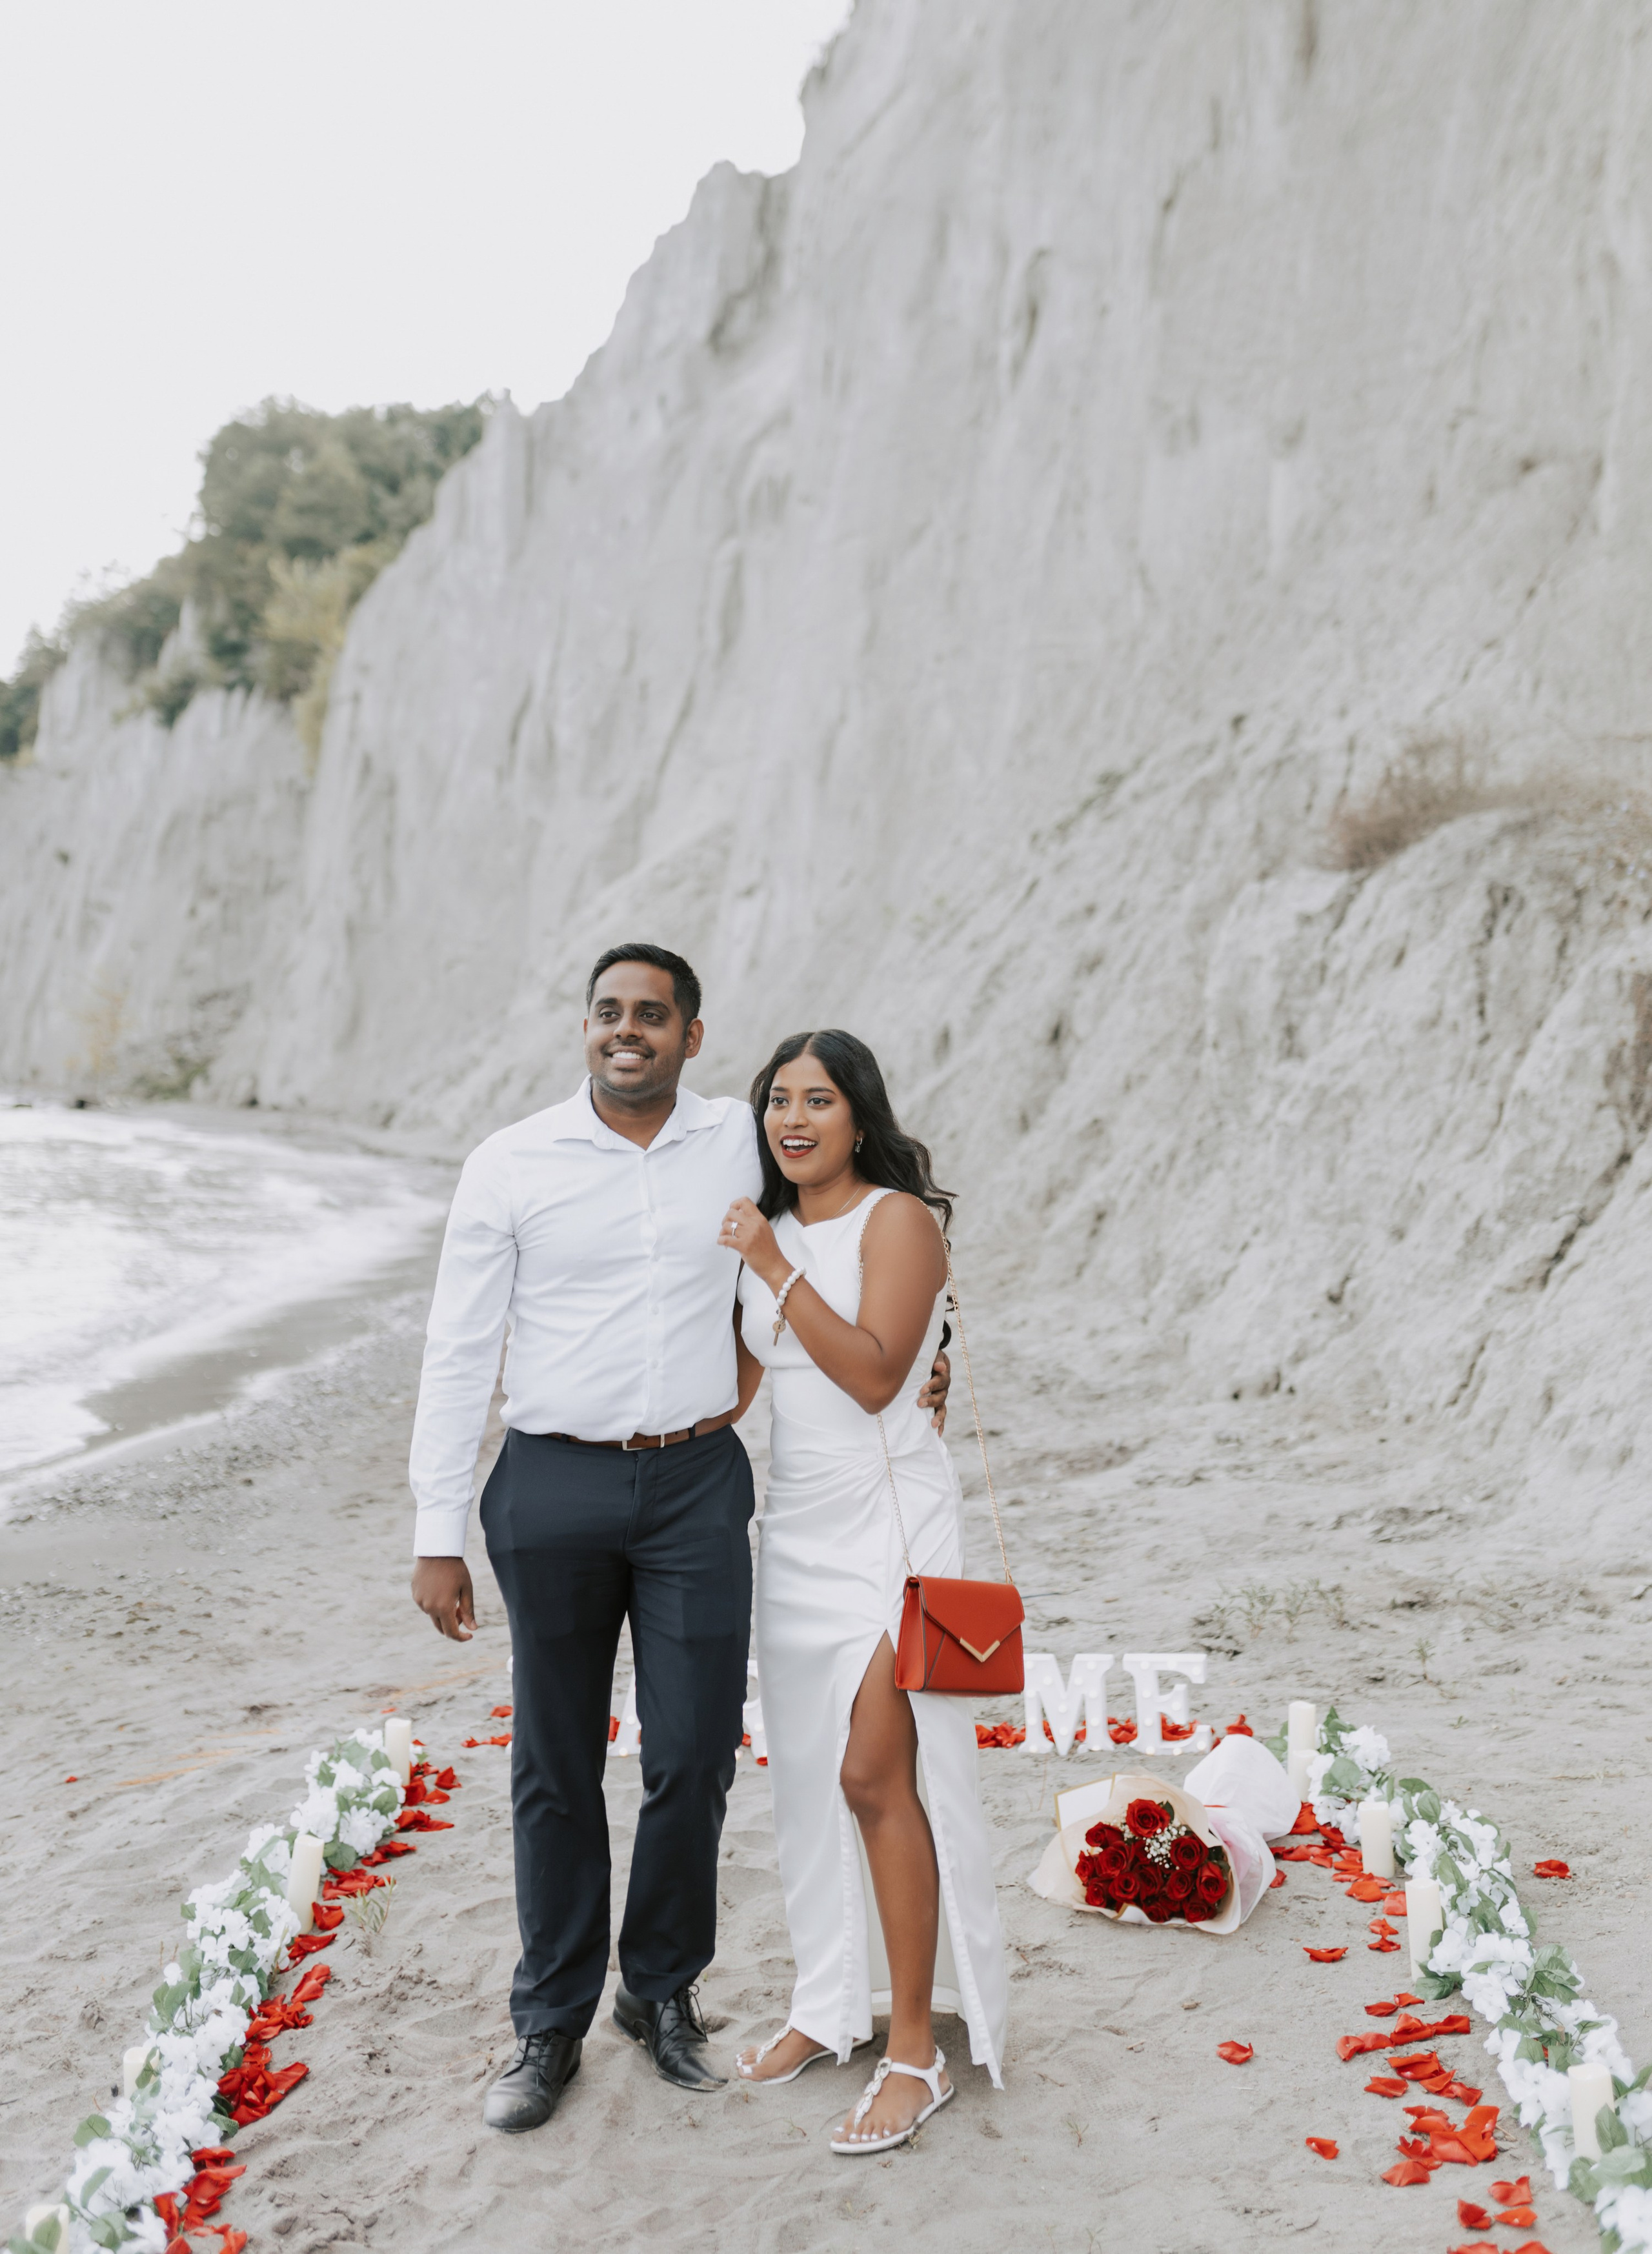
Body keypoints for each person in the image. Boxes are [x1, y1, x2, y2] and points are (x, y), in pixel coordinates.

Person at [405, 948, 949, 2134]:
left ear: (692, 1036)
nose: (628, 1032)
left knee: (694, 1754)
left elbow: (850, 1224)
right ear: (586, 1028)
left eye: (653, 1015)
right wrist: (435, 1529)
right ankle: (547, 2022)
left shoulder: (738, 1141)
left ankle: (659, 1996)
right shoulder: (511, 1162)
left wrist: (933, 1364)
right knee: (553, 1759)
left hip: (701, 1481)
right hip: (548, 1483)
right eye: (609, 1013)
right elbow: (457, 1348)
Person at [720, 1029, 1007, 2155]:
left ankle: (913, 2050)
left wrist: (772, 1269)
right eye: (778, 1100)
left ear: (859, 1113)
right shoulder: (773, 1232)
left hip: (894, 1527)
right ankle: (824, 2006)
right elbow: (739, 1388)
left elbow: (880, 1369)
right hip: (793, 1530)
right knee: (806, 1785)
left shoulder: (897, 1220)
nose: (794, 1119)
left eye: (819, 1099)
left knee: (876, 1773)